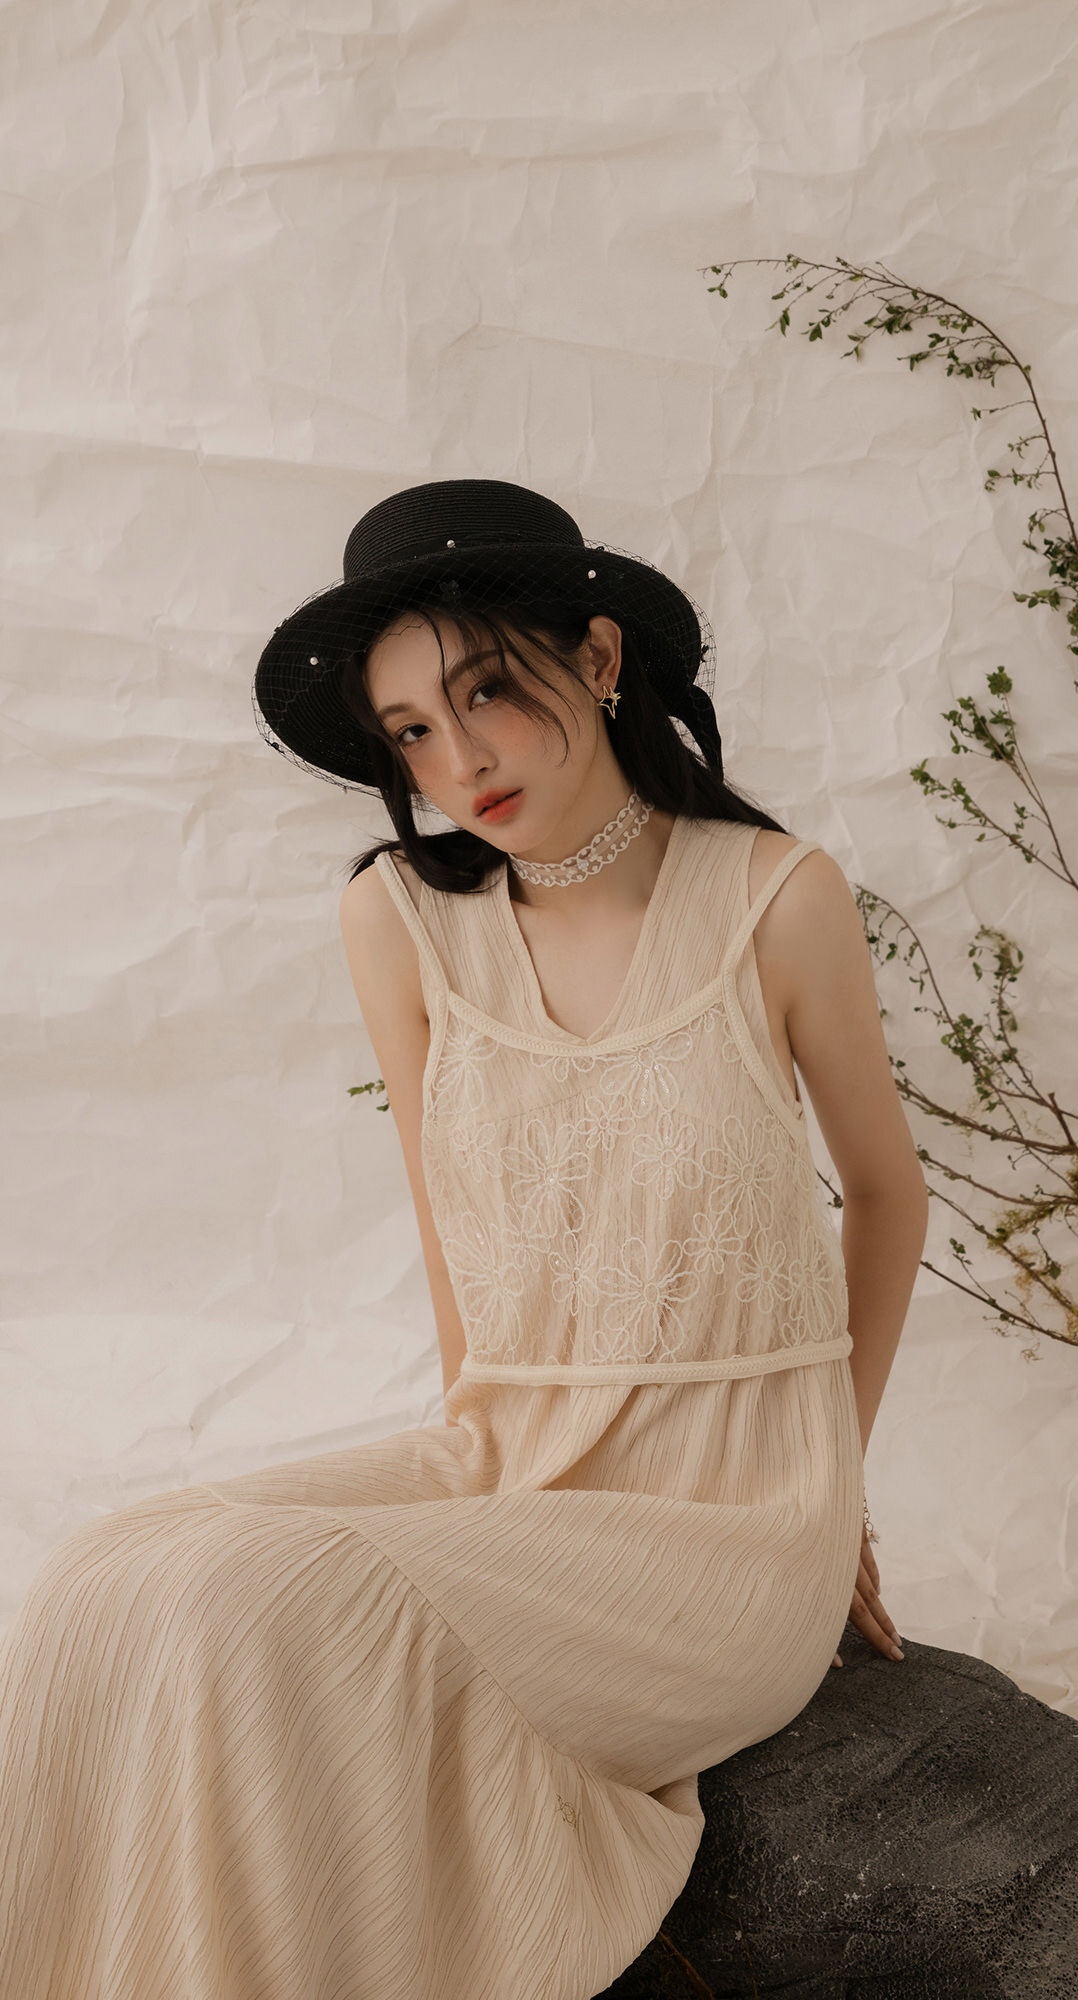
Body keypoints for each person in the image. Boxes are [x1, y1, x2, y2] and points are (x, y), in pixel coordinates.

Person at [0, 478, 931, 2000]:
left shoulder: (775, 899)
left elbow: (887, 1193)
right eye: (413, 731)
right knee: (106, 1578)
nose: (459, 760)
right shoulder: (401, 918)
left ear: (601, 657)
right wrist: (471, 1485)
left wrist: (832, 1487)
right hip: (511, 1449)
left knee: (275, 1608)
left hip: (737, 1521)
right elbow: (452, 1223)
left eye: (488, 690)